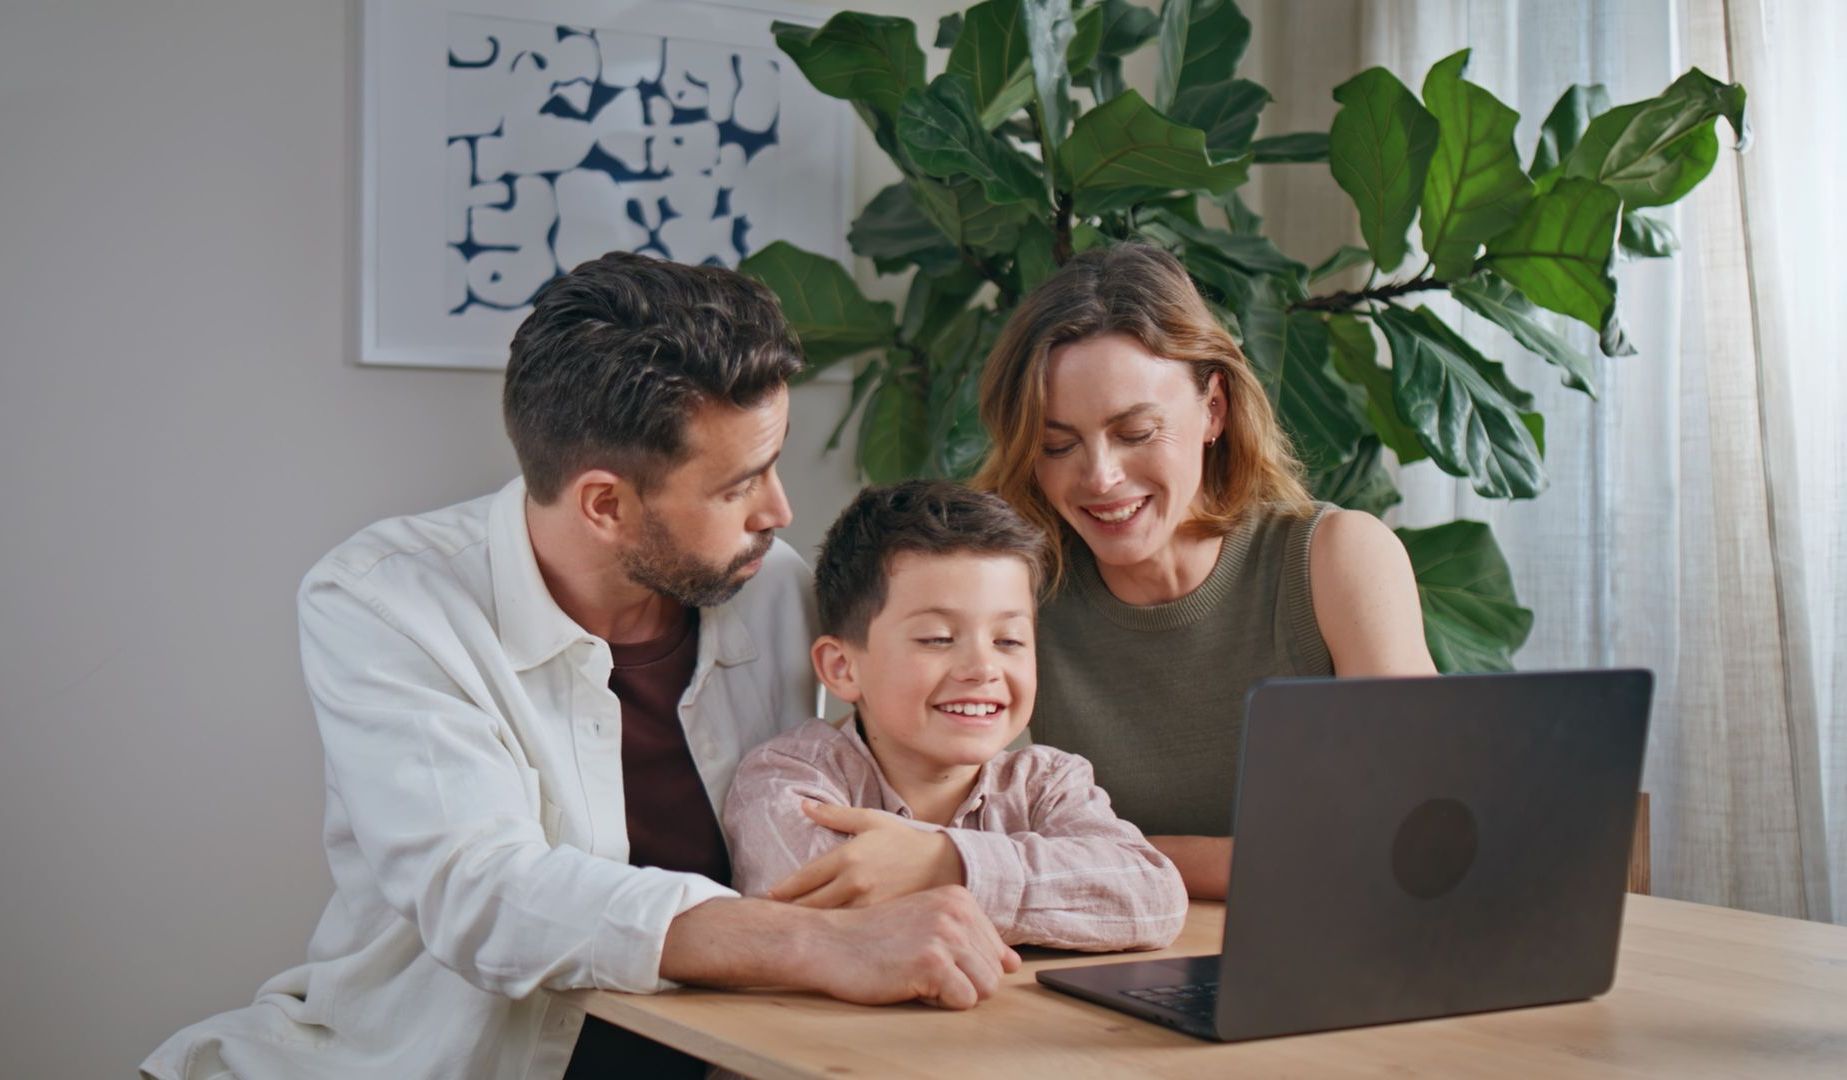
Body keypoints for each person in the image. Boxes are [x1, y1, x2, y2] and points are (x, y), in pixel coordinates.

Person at [142, 254, 1017, 1080]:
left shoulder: (773, 590)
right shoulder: (385, 600)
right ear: (605, 504)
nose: (779, 511)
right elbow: (482, 890)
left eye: (773, 463)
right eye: (735, 485)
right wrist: (812, 943)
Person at [972, 243, 1437, 899]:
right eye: (1058, 444)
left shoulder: (1335, 560)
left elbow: (1412, 828)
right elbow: (955, 833)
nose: (1099, 476)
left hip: (1335, 960)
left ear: (1212, 409)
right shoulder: (1015, 592)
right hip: (1099, 968)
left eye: (1134, 432)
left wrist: (1106, 858)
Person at [722, 481, 1188, 951]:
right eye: (938, 639)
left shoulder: (1046, 781)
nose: (983, 669)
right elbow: (830, 909)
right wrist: (1042, 888)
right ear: (843, 668)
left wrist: (947, 862)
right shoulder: (788, 778)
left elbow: (1153, 898)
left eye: (1008, 641)